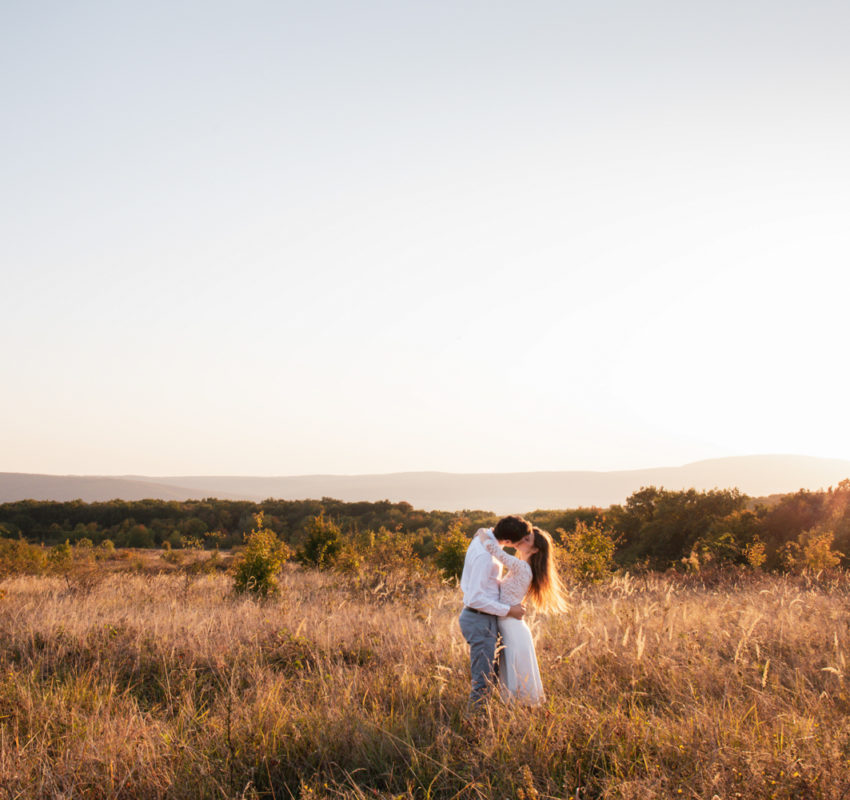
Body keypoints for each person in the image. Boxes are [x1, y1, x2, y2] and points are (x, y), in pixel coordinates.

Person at [475, 525, 566, 705]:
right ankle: (515, 717)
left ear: (535, 549)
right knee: (513, 678)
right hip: (510, 626)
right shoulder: (523, 568)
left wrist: (482, 534)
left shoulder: (522, 567)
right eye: (523, 537)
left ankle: (519, 718)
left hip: (512, 628)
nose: (521, 541)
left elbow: (494, 551)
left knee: (518, 680)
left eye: (527, 540)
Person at [458, 515, 534, 709]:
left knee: (492, 675)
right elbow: (475, 598)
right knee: (482, 680)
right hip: (478, 618)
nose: (519, 546)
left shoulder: (485, 539)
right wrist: (510, 610)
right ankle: (473, 726)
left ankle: (485, 719)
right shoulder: (486, 557)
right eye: (519, 542)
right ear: (507, 541)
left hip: (484, 618)